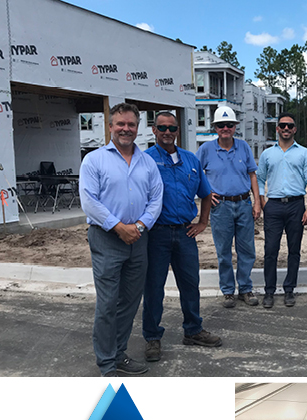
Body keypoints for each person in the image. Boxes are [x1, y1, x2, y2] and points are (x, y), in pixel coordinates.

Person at [80, 102, 164, 376]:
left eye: (131, 124)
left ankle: (119, 353)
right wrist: (118, 226)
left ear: (138, 128)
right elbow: (89, 201)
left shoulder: (147, 162)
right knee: (107, 304)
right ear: (110, 126)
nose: (126, 129)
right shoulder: (94, 160)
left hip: (139, 239)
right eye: (121, 124)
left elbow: (155, 199)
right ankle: (106, 364)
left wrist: (139, 226)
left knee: (130, 301)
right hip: (106, 238)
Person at [140, 111, 221, 362]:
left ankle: (193, 330)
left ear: (178, 131)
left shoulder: (190, 160)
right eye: (162, 128)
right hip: (156, 235)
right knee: (154, 288)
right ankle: (152, 337)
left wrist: (203, 222)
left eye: (172, 128)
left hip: (185, 233)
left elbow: (206, 194)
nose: (167, 132)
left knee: (190, 284)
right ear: (154, 130)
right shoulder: (144, 160)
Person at [196, 105, 260, 308]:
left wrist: (257, 201)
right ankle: (227, 291)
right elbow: (195, 174)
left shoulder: (243, 147)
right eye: (221, 125)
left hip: (243, 203)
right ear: (215, 127)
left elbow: (252, 174)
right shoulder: (206, 149)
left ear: (235, 127)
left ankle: (245, 288)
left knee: (247, 249)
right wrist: (206, 193)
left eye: (229, 125)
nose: (226, 128)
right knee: (223, 252)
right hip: (220, 207)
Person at [258, 112, 307, 308]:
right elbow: (259, 179)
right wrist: (261, 201)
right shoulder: (267, 154)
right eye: (282, 125)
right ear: (277, 128)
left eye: (289, 126)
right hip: (273, 205)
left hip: (296, 205)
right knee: (270, 250)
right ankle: (269, 291)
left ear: (295, 129)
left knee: (294, 250)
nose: (285, 129)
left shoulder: (305, 153)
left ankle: (289, 289)